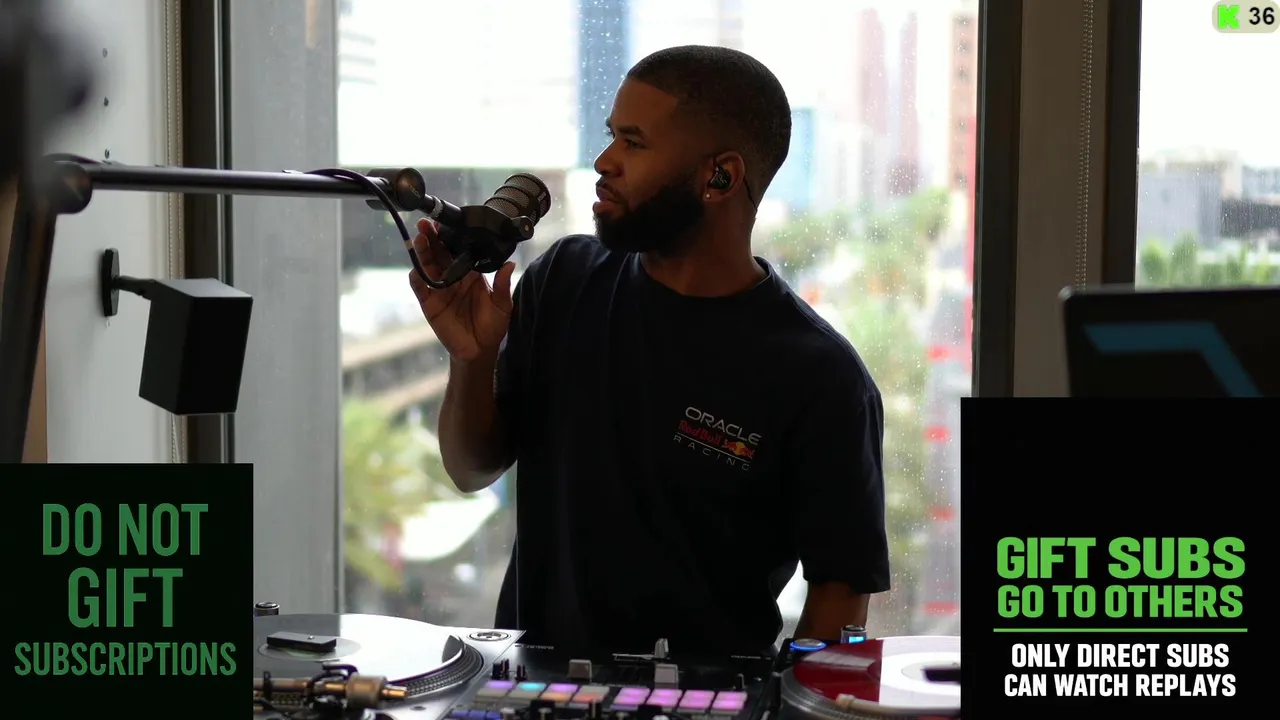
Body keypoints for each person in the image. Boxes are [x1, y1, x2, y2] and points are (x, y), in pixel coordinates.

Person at [409, 45, 889, 655]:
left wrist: (782, 698)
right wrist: (472, 360)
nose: (604, 161)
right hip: (532, 687)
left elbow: (840, 600)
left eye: (633, 143)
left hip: (709, 696)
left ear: (720, 177)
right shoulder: (563, 279)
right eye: (611, 136)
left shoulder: (820, 376)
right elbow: (471, 468)